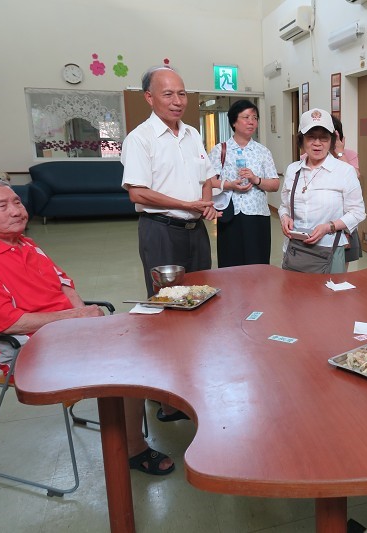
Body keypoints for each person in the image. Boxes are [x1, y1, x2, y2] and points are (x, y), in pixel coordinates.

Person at [0, 181, 175, 476]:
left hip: (67, 332)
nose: (16, 211)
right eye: (2, 206)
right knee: (128, 361)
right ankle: (133, 449)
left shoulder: (27, 243)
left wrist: (81, 316)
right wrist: (76, 318)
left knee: (153, 329)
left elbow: (63, 281)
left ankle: (161, 401)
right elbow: (9, 323)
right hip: (29, 348)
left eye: (17, 202)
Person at [121, 65, 218, 422]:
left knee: (201, 305)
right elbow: (137, 191)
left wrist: (204, 200)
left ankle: (191, 383)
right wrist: (186, 204)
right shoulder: (140, 138)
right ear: (149, 97)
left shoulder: (192, 134)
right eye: (168, 94)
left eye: (182, 93)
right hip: (161, 231)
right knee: (167, 311)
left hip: (195, 231)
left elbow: (207, 177)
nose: (178, 101)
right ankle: (165, 398)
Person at [278, 108, 365, 274]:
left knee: (329, 299)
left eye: (324, 138)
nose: (317, 143)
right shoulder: (293, 170)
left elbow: (358, 212)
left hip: (329, 250)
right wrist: (284, 218)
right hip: (295, 249)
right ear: (301, 140)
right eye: (311, 137)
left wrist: (329, 227)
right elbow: (284, 205)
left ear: (331, 141)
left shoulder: (344, 171)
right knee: (293, 296)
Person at [203, 99, 279, 267]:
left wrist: (256, 179)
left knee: (257, 263)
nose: (251, 122)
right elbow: (209, 181)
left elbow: (274, 184)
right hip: (230, 215)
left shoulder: (262, 152)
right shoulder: (220, 150)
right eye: (246, 117)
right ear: (234, 122)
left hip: (257, 215)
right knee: (231, 263)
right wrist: (229, 185)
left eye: (255, 117)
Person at [329, 115, 364, 269]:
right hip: (320, 221)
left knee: (340, 271)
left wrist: (340, 153)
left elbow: (355, 176)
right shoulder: (308, 156)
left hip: (344, 222)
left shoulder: (349, 155)